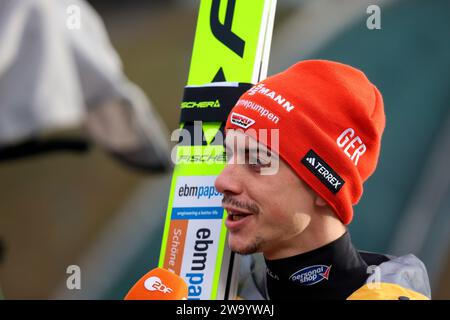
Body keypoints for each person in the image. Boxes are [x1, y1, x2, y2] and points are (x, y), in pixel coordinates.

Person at [214, 60, 431, 300]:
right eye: (229, 155)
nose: (222, 181)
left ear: (324, 186)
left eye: (256, 161)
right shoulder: (227, 290)